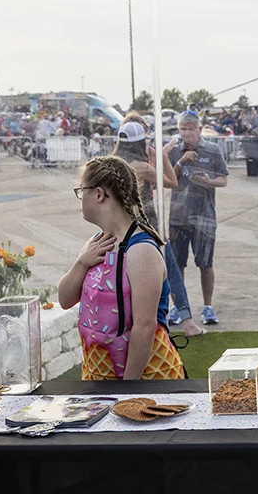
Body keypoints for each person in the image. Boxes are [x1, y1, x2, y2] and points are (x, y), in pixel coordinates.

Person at [58, 155, 186, 380]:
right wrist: (81, 263)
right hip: (100, 375)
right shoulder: (97, 242)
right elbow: (65, 299)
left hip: (146, 379)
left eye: (81, 191)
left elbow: (144, 327)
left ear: (99, 194)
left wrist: (126, 389)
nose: (80, 198)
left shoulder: (140, 250)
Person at [112, 119, 204, 337]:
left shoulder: (112, 163)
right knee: (169, 271)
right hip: (147, 226)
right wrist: (162, 154)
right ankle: (187, 322)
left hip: (119, 227)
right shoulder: (141, 167)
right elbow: (171, 181)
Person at [167, 111, 229, 325]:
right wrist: (181, 162)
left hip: (204, 217)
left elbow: (223, 179)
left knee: (205, 263)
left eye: (190, 129)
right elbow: (168, 180)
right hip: (178, 217)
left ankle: (208, 307)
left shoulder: (212, 150)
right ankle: (179, 308)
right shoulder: (174, 151)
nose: (186, 133)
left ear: (199, 130)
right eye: (183, 129)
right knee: (177, 265)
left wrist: (208, 181)